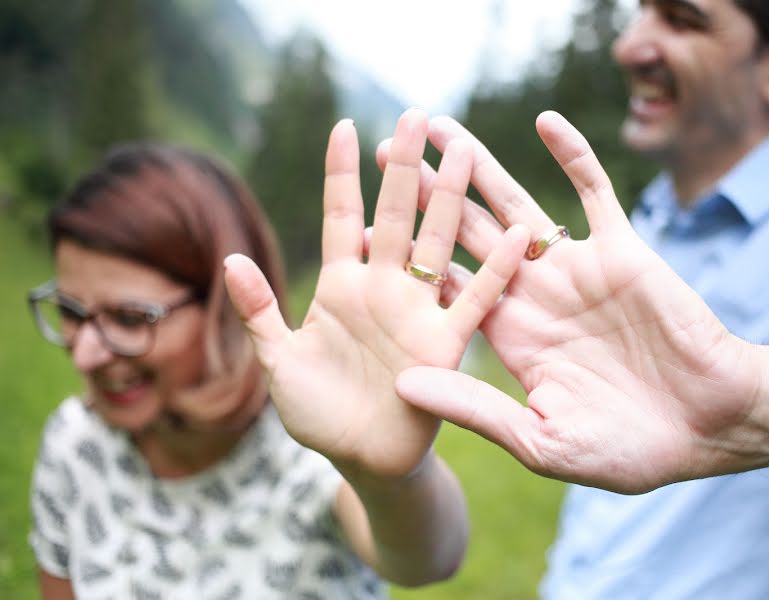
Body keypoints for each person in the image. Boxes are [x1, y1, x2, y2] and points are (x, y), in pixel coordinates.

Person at [386, 1, 769, 598]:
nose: (629, 46)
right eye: (641, 11)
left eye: (682, 20)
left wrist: (756, 394)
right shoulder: (639, 229)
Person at [27, 109, 528, 599]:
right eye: (70, 310)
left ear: (223, 309)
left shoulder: (312, 439)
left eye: (130, 318)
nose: (86, 354)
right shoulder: (76, 445)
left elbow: (426, 559)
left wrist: (386, 478)